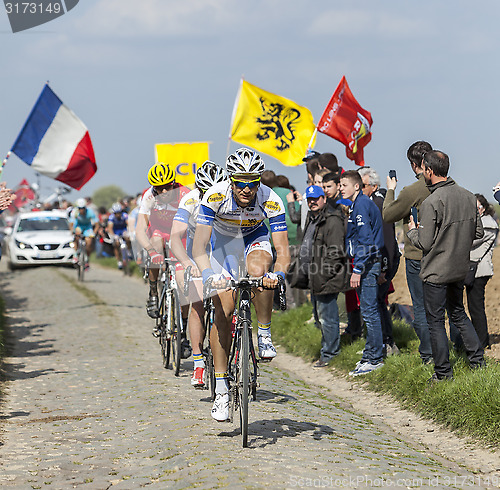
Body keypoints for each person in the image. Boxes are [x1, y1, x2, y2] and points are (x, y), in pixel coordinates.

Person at [193, 148, 290, 422]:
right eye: (240, 182)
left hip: (253, 238)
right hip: (222, 246)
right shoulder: (214, 196)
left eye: (252, 182)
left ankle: (264, 332)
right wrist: (209, 274)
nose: (246, 188)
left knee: (260, 271)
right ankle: (222, 388)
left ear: (259, 181)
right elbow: (199, 246)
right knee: (223, 313)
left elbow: (283, 250)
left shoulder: (270, 199)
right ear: (231, 180)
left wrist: (277, 276)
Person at [407, 150, 485, 381]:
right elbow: (478, 232)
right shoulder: (469, 196)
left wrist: (413, 230)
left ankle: (442, 373)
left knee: (436, 321)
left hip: (436, 272)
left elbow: (425, 241)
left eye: (424, 170)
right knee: (459, 314)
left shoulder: (431, 202)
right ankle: (477, 362)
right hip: (460, 268)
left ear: (429, 171)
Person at [170, 161, 227, 388]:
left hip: (222, 252)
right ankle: (198, 361)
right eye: (205, 192)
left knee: (226, 303)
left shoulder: (228, 196)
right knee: (196, 304)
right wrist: (186, 262)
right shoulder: (191, 199)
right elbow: (176, 237)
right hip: (197, 252)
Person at [382, 141, 433, 364]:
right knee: (448, 308)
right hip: (442, 254)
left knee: (420, 308)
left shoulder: (413, 190)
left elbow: (388, 214)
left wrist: (390, 189)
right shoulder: (444, 185)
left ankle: (429, 355)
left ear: (414, 165)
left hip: (417, 255)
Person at [135, 162, 192, 357]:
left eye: (168, 186)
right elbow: (140, 229)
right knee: (156, 243)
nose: (165, 191)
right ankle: (153, 292)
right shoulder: (149, 196)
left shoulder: (185, 193)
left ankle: (183, 334)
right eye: (160, 188)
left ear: (174, 183)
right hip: (159, 232)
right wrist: (151, 251)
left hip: (179, 235)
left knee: (184, 286)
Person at [339, 170, 385, 375]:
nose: (341, 188)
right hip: (365, 263)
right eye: (340, 185)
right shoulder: (357, 204)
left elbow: (366, 241)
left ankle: (375, 358)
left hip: (366, 264)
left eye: (344, 185)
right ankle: (369, 354)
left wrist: (357, 270)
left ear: (356, 186)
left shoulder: (361, 206)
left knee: (369, 311)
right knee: (368, 310)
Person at [299, 185, 349, 367]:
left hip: (326, 277)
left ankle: (330, 354)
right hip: (315, 276)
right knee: (321, 318)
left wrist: (323, 274)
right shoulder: (313, 218)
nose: (312, 202)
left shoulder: (332, 219)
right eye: (309, 199)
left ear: (324, 199)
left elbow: (336, 251)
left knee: (328, 318)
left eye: (316, 198)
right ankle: (326, 351)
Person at [359, 167, 401, 356]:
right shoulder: (369, 202)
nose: (360, 188)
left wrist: (384, 270)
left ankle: (386, 343)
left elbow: (387, 240)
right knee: (377, 302)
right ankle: (384, 342)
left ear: (374, 186)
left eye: (363, 185)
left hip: (385, 261)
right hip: (379, 261)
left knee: (377, 303)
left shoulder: (378, 204)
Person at [450, 194, 498, 350]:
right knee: (473, 306)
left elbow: (469, 241)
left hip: (479, 270)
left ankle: (482, 343)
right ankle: (480, 340)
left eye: (477, 206)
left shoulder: (487, 224)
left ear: (483, 208)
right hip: (475, 269)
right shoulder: (482, 222)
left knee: (476, 308)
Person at [69, 198, 97, 267]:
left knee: (89, 242)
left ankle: (87, 257)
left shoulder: (90, 212)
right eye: (80, 208)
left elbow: (97, 223)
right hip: (78, 226)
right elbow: (71, 223)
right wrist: (72, 231)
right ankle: (75, 255)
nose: (81, 210)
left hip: (87, 227)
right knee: (77, 237)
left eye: (83, 208)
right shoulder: (74, 212)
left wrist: (94, 232)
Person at [106, 202, 130, 269]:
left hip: (123, 229)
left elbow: (128, 224)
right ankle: (119, 260)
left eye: (119, 213)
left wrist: (128, 231)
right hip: (115, 231)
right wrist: (114, 236)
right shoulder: (111, 217)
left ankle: (128, 251)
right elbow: (110, 228)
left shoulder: (125, 215)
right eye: (116, 213)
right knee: (116, 244)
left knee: (127, 238)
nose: (118, 215)